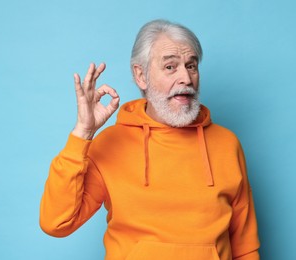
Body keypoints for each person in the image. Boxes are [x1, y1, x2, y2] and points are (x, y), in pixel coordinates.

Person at [40, 19, 260, 259]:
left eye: (191, 66)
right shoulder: (111, 144)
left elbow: (245, 246)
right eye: (170, 67)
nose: (186, 78)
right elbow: (56, 223)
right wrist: (82, 133)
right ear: (140, 75)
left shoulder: (227, 144)